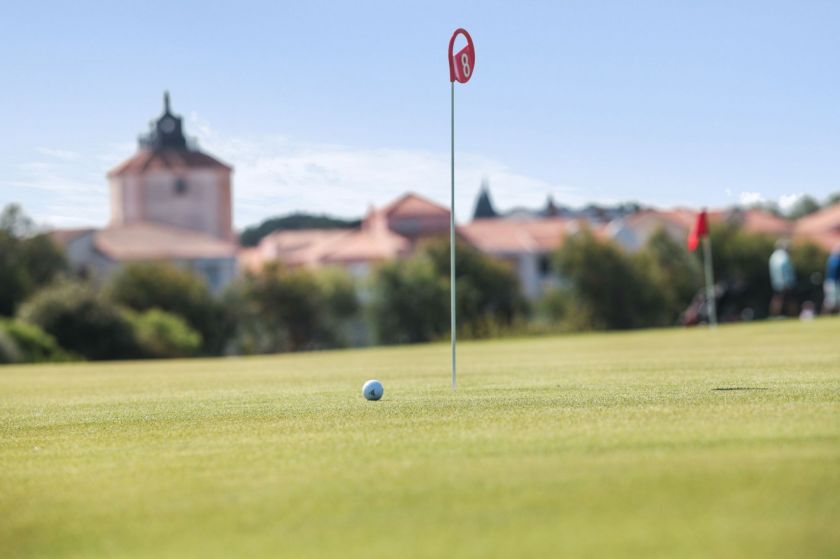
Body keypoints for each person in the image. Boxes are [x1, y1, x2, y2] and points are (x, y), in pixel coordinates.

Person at [769, 239, 796, 317]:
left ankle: (774, 316)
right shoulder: (782, 256)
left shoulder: (774, 255)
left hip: (777, 282)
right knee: (788, 300)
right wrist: (785, 282)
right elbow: (782, 269)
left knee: (778, 299)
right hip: (784, 283)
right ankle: (792, 316)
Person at [823, 244, 840, 315]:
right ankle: (826, 314)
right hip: (831, 282)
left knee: (838, 300)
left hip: (836, 282)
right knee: (830, 300)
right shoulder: (833, 259)